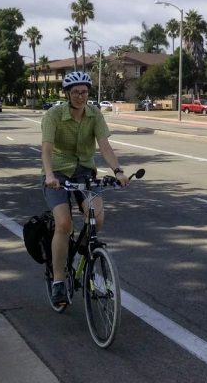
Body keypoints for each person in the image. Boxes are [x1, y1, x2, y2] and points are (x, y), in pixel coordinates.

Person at [41, 70, 130, 306]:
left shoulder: (94, 114)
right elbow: (47, 148)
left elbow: (104, 145)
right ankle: (59, 281)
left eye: (84, 92)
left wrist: (117, 171)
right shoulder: (54, 115)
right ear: (68, 94)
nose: (80, 96)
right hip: (58, 174)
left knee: (97, 218)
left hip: (84, 172)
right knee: (63, 223)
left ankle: (79, 249)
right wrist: (49, 174)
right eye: (75, 92)